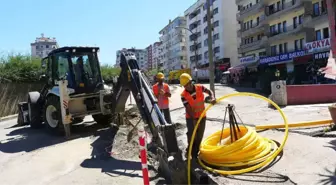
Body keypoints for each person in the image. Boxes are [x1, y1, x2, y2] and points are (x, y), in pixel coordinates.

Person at [179, 73, 216, 159]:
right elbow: (188, 109)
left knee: (199, 135)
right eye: (184, 86)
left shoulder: (200, 87)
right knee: (192, 136)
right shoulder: (183, 95)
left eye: (187, 84)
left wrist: (212, 97)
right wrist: (194, 120)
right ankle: (190, 151)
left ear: (191, 82)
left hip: (202, 116)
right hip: (191, 118)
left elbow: (209, 91)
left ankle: (195, 152)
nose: (186, 87)